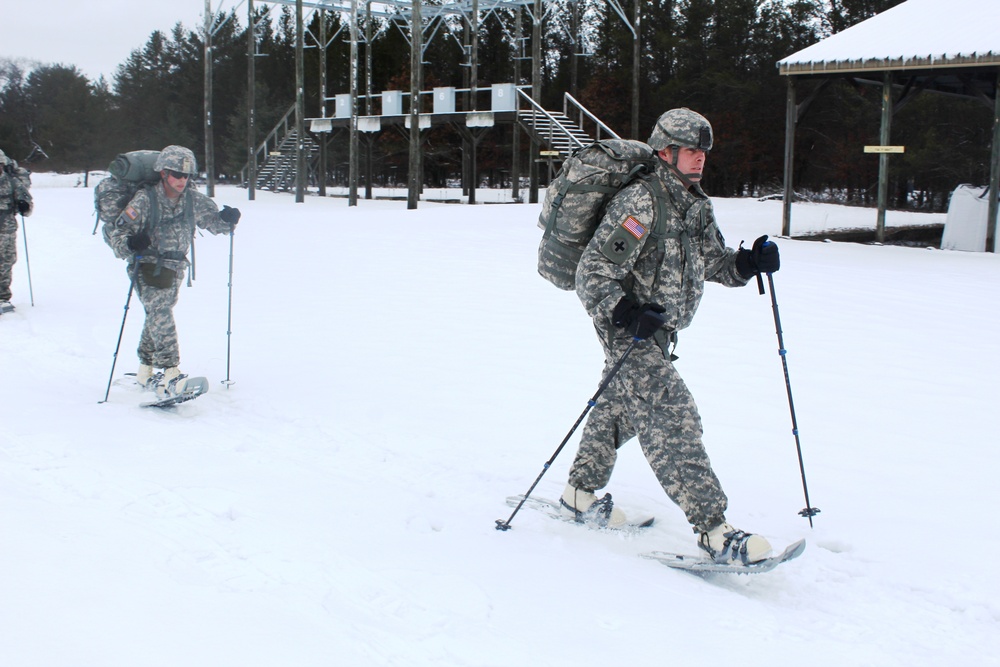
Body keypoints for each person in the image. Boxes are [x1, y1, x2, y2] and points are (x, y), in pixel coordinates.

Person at [560, 108, 781, 565]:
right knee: (671, 414)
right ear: (665, 151)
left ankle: (578, 494)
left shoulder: (694, 203)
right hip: (628, 330)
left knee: (619, 409)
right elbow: (593, 273)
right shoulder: (640, 203)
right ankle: (715, 531)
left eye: (703, 151)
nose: (699, 159)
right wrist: (626, 312)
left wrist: (748, 264)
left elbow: (715, 260)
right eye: (690, 150)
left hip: (657, 333)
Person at [102, 145, 240, 397]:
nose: (182, 180)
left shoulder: (193, 199)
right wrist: (132, 243)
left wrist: (228, 219)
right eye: (177, 174)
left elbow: (214, 223)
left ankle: (145, 367)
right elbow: (119, 235)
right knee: (160, 312)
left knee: (156, 315)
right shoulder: (145, 199)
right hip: (147, 266)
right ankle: (171, 372)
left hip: (176, 268)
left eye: (187, 176)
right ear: (164, 173)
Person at [0, 148, 34, 314]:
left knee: (6, 262)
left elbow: (27, 205)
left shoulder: (12, 182)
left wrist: (24, 206)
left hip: (6, 230)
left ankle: (2, 297)